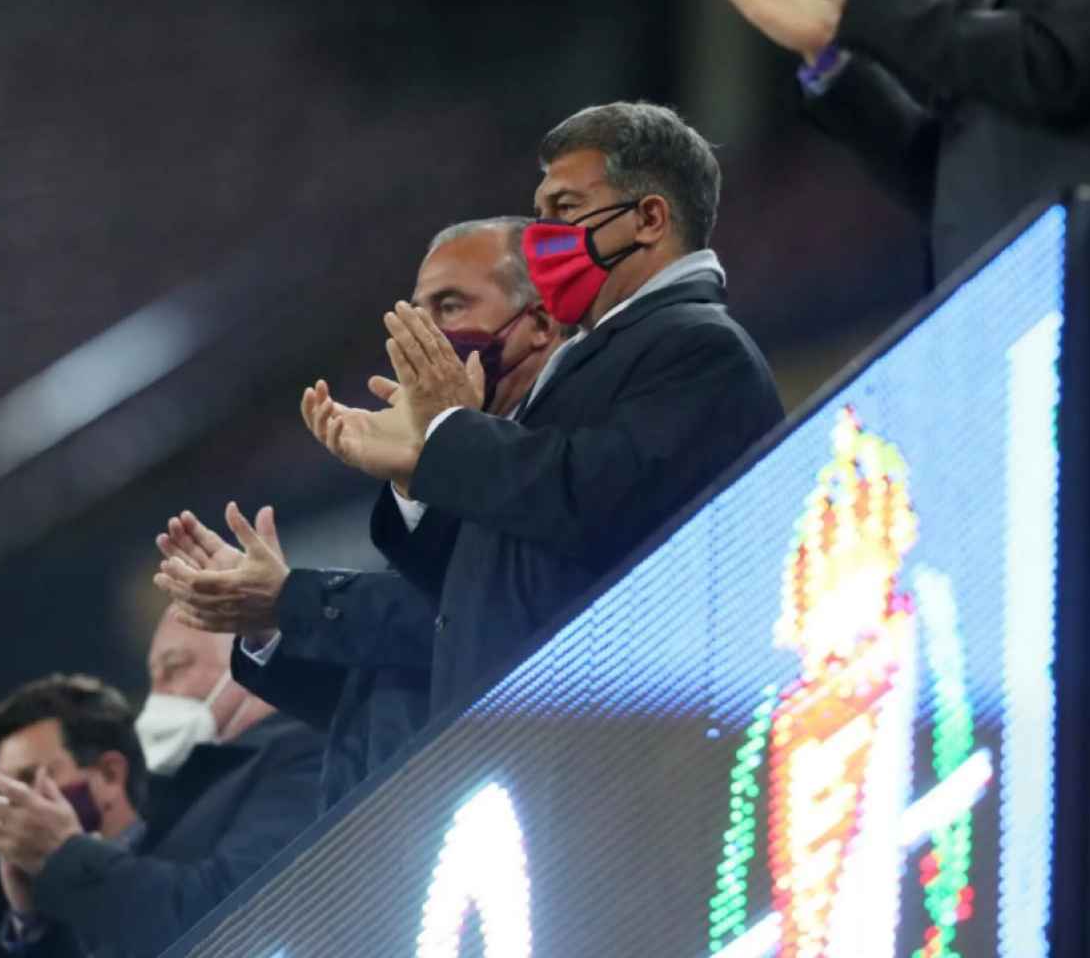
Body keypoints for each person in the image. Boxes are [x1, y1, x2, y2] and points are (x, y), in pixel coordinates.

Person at [294, 102, 784, 715]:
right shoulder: (600, 353)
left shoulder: (700, 347)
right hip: (525, 747)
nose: (541, 236)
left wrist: (451, 429)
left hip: (629, 739)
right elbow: (477, 580)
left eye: (565, 210)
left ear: (650, 218)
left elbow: (590, 503)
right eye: (540, 213)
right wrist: (415, 472)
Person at [155, 216, 571, 811]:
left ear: (540, 323)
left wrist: (293, 598)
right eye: (417, 314)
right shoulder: (451, 485)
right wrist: (267, 623)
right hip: (393, 840)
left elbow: (484, 621)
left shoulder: (565, 448)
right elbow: (389, 687)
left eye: (450, 306)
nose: (423, 336)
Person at [723, 0, 1090, 278]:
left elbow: (1051, 70)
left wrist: (855, 11)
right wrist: (827, 55)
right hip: (991, 316)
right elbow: (945, 179)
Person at [0, 667, 319, 958]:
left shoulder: (202, 841)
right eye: (5, 788)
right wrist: (29, 919)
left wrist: (65, 853)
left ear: (109, 774)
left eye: (29, 778)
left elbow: (224, 928)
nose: (16, 803)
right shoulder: (34, 919)